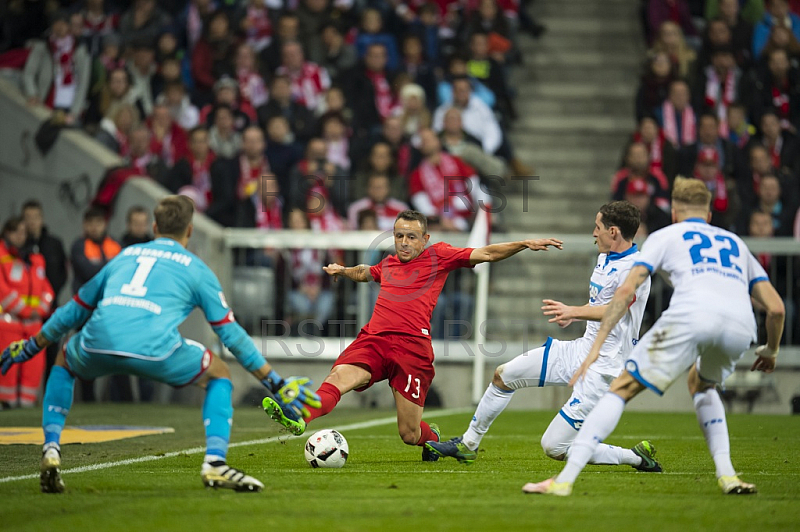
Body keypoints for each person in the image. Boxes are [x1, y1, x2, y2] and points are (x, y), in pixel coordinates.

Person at [0, 196, 320, 493]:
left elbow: (72, 310)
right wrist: (275, 383)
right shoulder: (196, 268)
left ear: (154, 228)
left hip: (98, 341)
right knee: (219, 373)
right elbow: (231, 334)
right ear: (190, 231)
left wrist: (31, 346)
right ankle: (215, 463)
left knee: (64, 362)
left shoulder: (123, 256)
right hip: (154, 349)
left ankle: (52, 448)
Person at [524, 177, 785, 496]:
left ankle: (563, 481)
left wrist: (592, 351)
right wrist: (771, 351)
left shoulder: (666, 236)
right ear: (709, 216)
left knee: (620, 389)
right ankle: (728, 474)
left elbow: (624, 293)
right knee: (702, 385)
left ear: (674, 212)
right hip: (742, 325)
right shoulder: (735, 243)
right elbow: (776, 309)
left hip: (691, 316)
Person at [262, 209, 563, 459]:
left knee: (410, 433)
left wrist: (523, 243)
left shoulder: (440, 255)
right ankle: (300, 416)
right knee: (338, 378)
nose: (403, 243)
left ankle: (433, 440)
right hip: (375, 340)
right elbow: (366, 272)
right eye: (399, 236)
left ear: (424, 239)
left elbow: (486, 252)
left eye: (411, 237)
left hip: (412, 350)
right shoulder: (389, 263)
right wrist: (342, 271)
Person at [426, 202, 658, 472]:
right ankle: (469, 444)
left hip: (606, 368)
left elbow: (616, 310)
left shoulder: (636, 269)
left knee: (554, 447)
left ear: (614, 232)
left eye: (598, 227)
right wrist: (577, 314)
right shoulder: (605, 256)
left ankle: (635, 457)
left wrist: (574, 311)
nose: (594, 233)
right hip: (582, 350)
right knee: (504, 375)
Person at [0, 217, 54, 408]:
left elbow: (47, 290)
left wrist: (40, 309)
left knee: (34, 366)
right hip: (8, 322)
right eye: (16, 232)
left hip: (33, 323)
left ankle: (27, 405)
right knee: (8, 365)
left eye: (23, 232)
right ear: (7, 233)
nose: (20, 236)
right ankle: (6, 404)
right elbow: (2, 291)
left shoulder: (35, 259)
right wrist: (24, 310)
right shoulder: (1, 255)